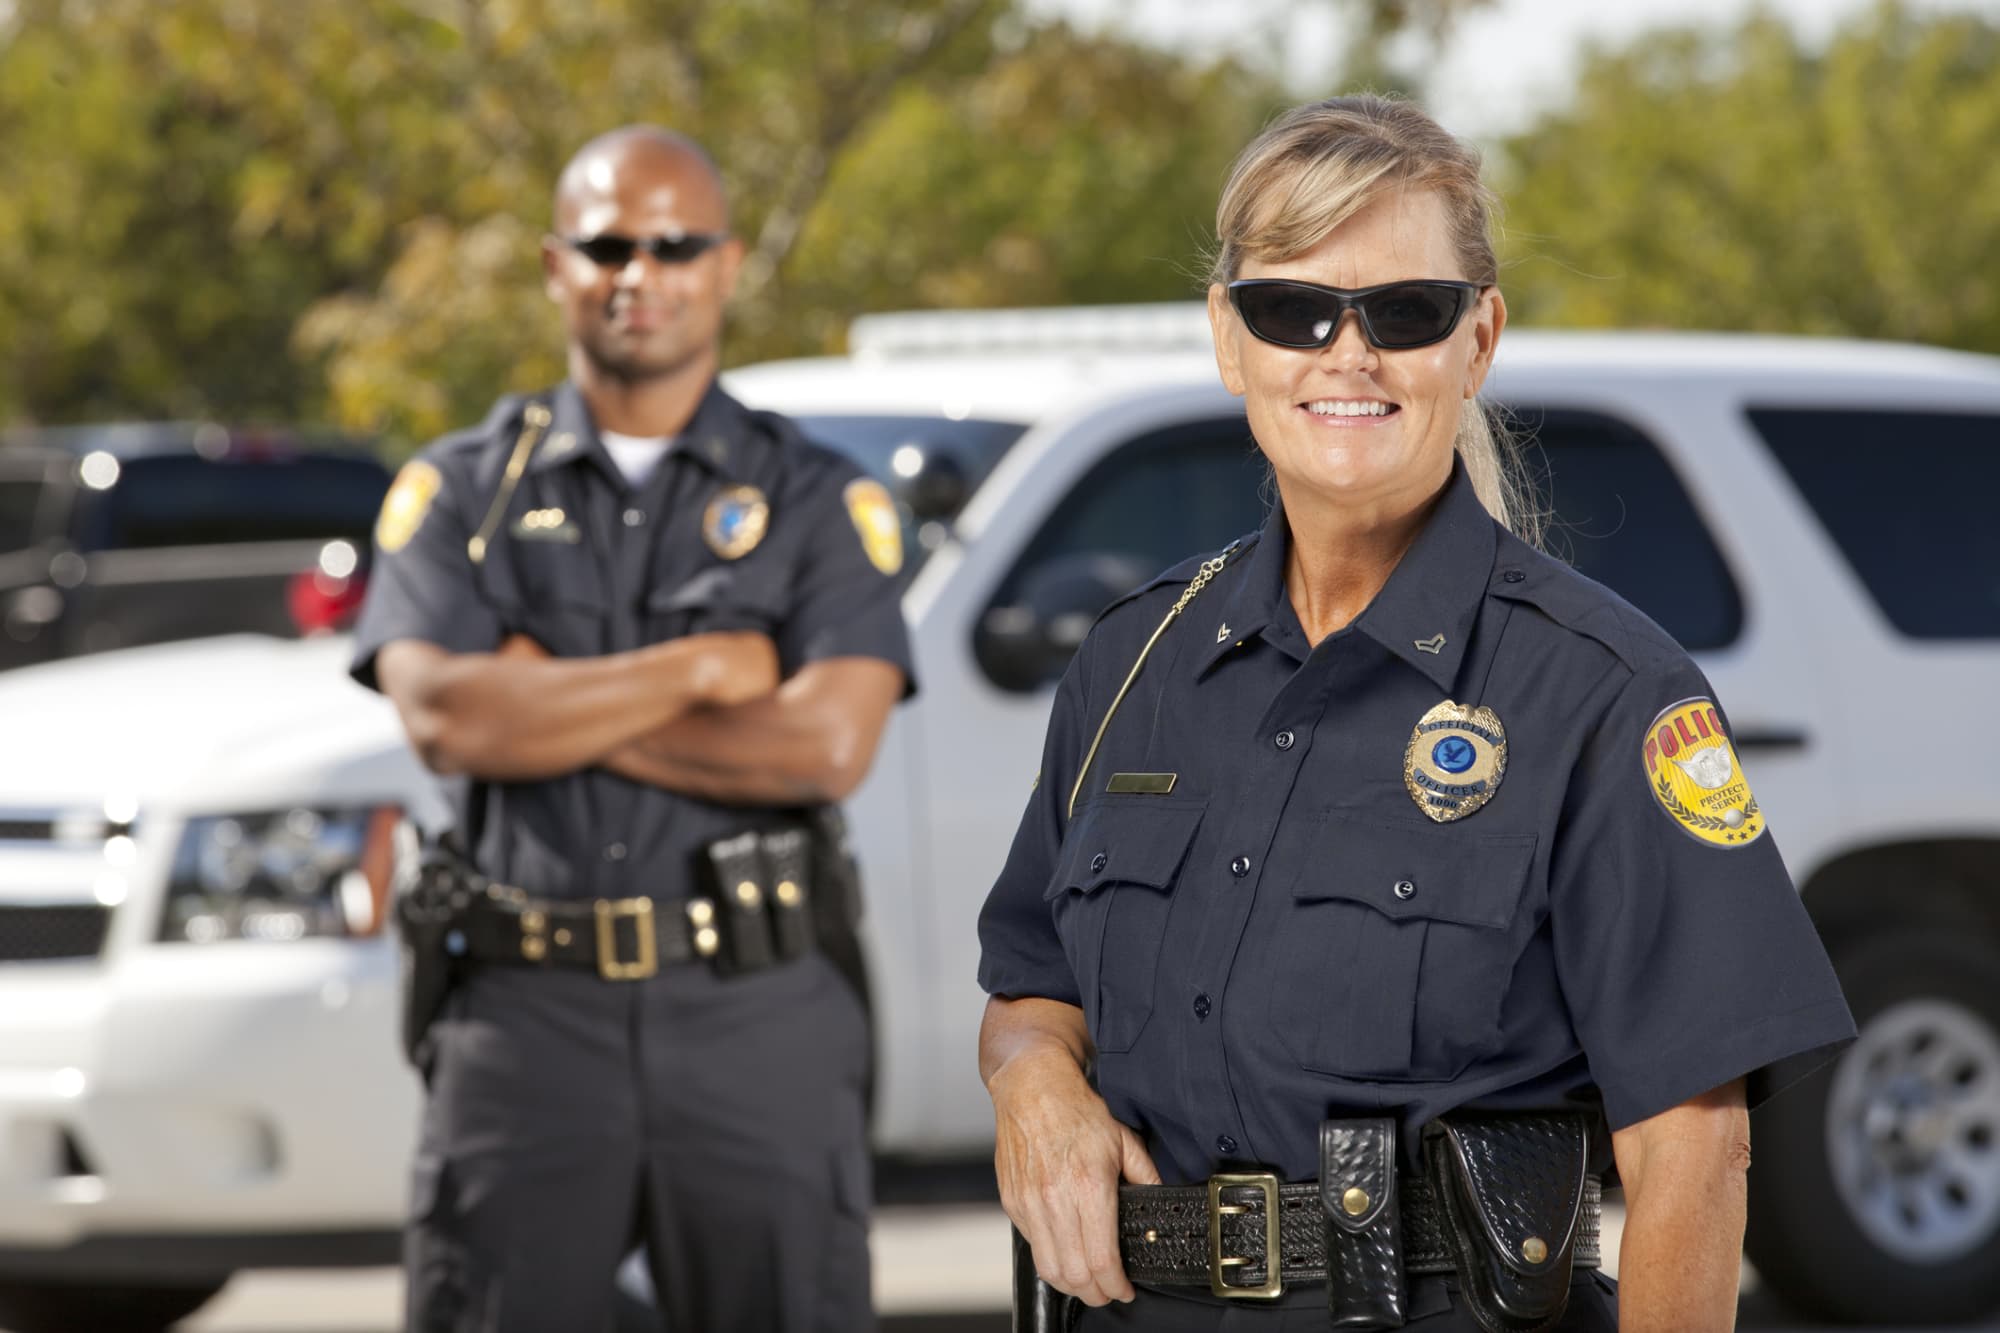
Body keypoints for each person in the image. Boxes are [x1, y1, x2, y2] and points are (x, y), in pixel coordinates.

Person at [975, 95, 1856, 1333]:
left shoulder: (1603, 693)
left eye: (1404, 311)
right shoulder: (1133, 664)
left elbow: (1690, 1160)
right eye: (1293, 309)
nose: (1348, 352)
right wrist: (1033, 1089)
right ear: (1230, 341)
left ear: (1477, 339)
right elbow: (1029, 989)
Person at [349, 126, 912, 1333]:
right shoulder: (460, 491)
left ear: (725, 263)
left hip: (754, 1013)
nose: (637, 272)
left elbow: (820, 747)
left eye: (673, 244)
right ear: (557, 265)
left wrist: (544, 698)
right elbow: (446, 715)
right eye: (607, 244)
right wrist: (703, 669)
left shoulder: (818, 498)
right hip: (521, 1018)